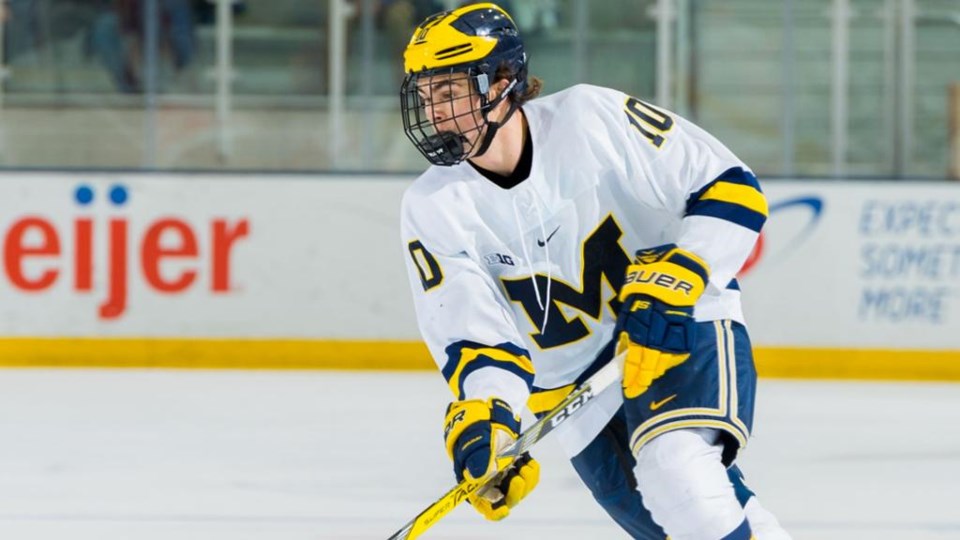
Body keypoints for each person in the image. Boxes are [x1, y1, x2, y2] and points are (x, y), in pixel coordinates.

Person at [398, 3, 791, 539]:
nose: (436, 114)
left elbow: (730, 187)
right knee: (690, 523)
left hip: (676, 325)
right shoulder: (432, 206)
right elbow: (476, 340)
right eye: (426, 96)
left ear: (503, 81)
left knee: (680, 478)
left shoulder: (590, 119)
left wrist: (681, 274)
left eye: (448, 92)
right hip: (573, 394)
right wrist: (489, 418)